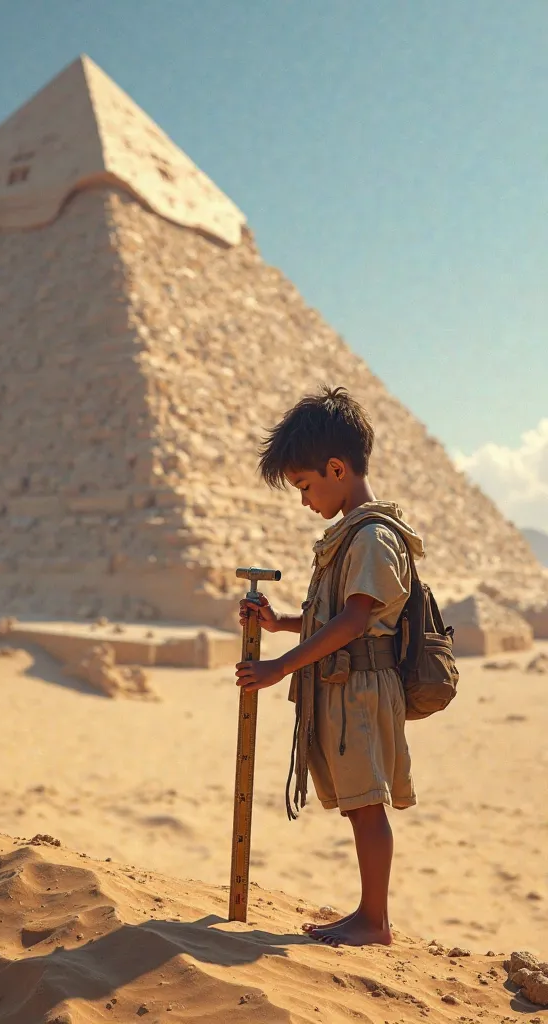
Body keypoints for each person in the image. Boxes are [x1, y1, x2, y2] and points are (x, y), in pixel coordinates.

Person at [234, 385, 424, 947]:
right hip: (346, 684)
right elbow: (335, 617)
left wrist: (278, 668)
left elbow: (354, 622)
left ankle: (374, 921)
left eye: (305, 485)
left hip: (362, 687)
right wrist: (281, 624)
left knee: (367, 805)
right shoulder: (351, 533)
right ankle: (369, 914)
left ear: (336, 468)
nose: (303, 499)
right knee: (357, 804)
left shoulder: (370, 536)